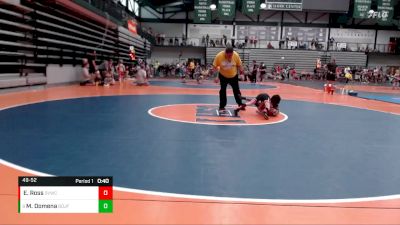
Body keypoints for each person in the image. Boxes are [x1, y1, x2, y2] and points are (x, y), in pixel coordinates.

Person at [213, 46, 246, 114]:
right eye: (228, 56)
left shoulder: (236, 55)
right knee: (222, 91)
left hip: (233, 76)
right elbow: (215, 66)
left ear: (233, 53)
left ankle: (240, 104)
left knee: (237, 91)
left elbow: (239, 65)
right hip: (223, 76)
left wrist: (242, 74)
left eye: (231, 55)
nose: (230, 57)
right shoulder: (219, 56)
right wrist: (216, 76)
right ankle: (222, 106)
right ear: (225, 53)